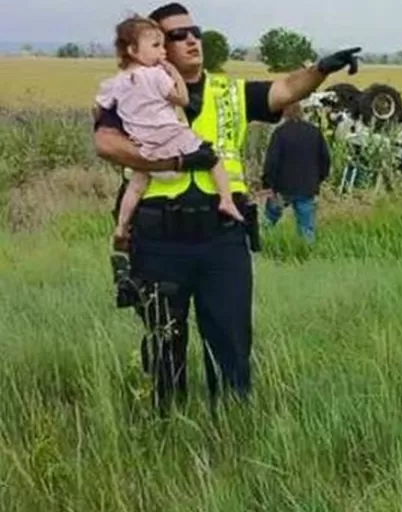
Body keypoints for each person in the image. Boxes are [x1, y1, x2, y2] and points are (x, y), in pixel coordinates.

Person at [92, 1, 361, 413]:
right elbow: (106, 144)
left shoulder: (229, 92)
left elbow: (286, 89)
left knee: (232, 344)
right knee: (164, 345)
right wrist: (175, 162)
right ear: (157, 47)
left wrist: (321, 68)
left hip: (222, 238)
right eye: (176, 35)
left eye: (194, 31)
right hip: (160, 239)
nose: (191, 40)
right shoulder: (133, 88)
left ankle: (231, 430)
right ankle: (165, 430)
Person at [96, 15, 244, 249]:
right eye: (156, 46)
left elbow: (99, 108)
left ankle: (122, 226)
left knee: (136, 185)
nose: (162, 52)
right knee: (212, 157)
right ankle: (226, 200)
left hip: (144, 147)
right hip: (171, 138)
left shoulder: (116, 82)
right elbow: (182, 99)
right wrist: (173, 73)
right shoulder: (156, 75)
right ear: (134, 50)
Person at [260, 101, 331, 242]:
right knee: (306, 228)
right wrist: (318, 180)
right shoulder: (314, 132)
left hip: (282, 188)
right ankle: (305, 256)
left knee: (268, 221)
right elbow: (325, 160)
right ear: (301, 112)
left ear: (285, 113)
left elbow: (272, 162)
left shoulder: (280, 133)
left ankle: (258, 247)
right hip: (307, 187)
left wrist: (268, 185)